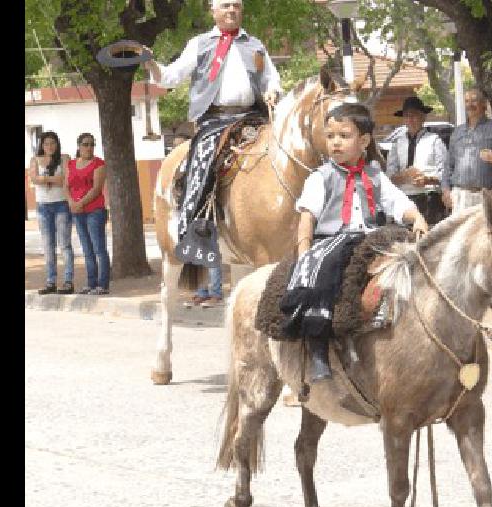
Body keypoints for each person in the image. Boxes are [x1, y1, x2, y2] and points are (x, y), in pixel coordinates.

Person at [287, 103, 428, 382]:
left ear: (363, 141)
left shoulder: (375, 175)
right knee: (326, 274)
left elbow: (397, 202)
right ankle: (317, 344)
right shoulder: (320, 177)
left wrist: (417, 218)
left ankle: (412, 332)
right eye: (330, 136)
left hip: (371, 237)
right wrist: (305, 253)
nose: (335, 142)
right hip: (333, 240)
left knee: (413, 261)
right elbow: (307, 217)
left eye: (344, 135)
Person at [142, 0, 282, 261]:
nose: (232, 10)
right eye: (226, 5)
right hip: (214, 121)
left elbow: (270, 77)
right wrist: (151, 65)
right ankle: (194, 229)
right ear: (214, 11)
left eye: (236, 6)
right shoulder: (200, 43)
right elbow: (171, 77)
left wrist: (273, 89)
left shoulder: (255, 44)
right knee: (203, 160)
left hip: (254, 116)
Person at [441, 88, 492, 213]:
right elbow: (449, 165)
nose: (470, 105)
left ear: (484, 104)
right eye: (467, 101)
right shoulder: (457, 132)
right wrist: (446, 190)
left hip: (486, 197)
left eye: (474, 101)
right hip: (460, 197)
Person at [386, 96, 448, 224]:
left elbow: (446, 173)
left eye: (414, 116)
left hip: (429, 199)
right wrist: (402, 177)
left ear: (423, 117)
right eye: (407, 116)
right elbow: (389, 175)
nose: (410, 120)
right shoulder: (397, 143)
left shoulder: (434, 140)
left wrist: (427, 180)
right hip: (404, 200)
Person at [28, 131, 74, 295]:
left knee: (65, 244)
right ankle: (51, 282)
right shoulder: (35, 159)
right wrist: (53, 178)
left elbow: (65, 179)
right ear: (41, 145)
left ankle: (68, 281)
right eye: (46, 143)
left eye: (52, 143)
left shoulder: (64, 158)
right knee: (48, 246)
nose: (49, 146)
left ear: (57, 144)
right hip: (43, 207)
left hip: (61, 204)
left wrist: (44, 178)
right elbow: (33, 179)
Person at [66, 133, 110, 295]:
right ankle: (90, 283)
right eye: (85, 144)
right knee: (86, 249)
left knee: (99, 249)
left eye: (92, 144)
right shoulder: (71, 164)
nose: (89, 147)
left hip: (94, 211)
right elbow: (66, 186)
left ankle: (102, 284)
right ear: (79, 145)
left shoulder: (99, 164)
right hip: (77, 212)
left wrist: (80, 203)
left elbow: (97, 189)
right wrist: (71, 202)